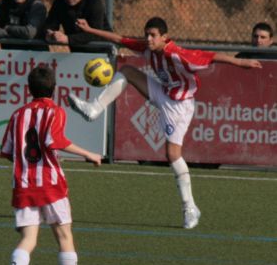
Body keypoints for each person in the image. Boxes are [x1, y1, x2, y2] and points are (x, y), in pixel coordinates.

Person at [68, 17, 262, 229]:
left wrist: (241, 62)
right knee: (127, 72)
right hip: (163, 91)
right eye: (147, 34)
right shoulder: (149, 48)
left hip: (180, 105)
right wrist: (90, 28)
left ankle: (190, 207)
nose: (148, 39)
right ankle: (94, 108)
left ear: (164, 37)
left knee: (172, 155)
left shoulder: (178, 55)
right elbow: (121, 39)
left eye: (153, 35)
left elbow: (212, 56)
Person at [0, 65, 102, 265]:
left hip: (23, 185)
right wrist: (88, 154)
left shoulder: (17, 115)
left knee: (28, 239)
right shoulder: (55, 111)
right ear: (54, 89)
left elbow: (7, 152)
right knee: (64, 237)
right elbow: (53, 141)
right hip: (50, 184)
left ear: (29, 88)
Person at [45, 0, 112, 51]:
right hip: (76, 52)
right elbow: (51, 23)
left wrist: (68, 39)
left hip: (101, 51)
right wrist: (50, 33)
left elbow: (96, 33)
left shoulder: (94, 2)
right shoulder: (60, 2)